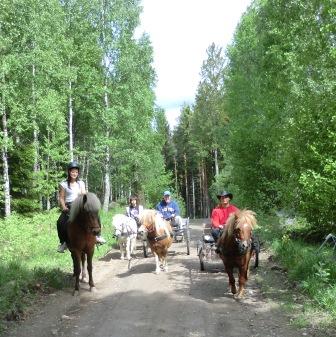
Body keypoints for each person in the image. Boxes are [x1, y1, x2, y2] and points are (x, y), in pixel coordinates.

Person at [56, 161, 106, 253]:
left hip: (81, 205)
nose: (74, 173)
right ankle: (63, 242)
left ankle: (98, 236)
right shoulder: (63, 184)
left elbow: (84, 194)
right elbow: (62, 198)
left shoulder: (81, 183)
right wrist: (63, 207)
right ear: (69, 172)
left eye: (76, 172)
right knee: (60, 221)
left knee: (95, 215)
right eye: (72, 172)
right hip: (69, 206)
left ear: (78, 173)